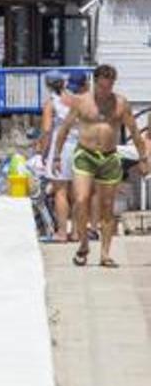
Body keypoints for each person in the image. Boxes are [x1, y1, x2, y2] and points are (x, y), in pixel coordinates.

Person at [54, 64, 149, 268]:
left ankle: (105, 254)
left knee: (107, 208)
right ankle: (84, 243)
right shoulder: (81, 102)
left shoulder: (121, 103)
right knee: (81, 200)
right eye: (103, 87)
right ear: (95, 82)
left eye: (110, 86)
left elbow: (133, 131)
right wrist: (56, 156)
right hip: (85, 155)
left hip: (109, 157)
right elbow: (64, 130)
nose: (106, 91)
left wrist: (143, 158)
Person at [38, 70, 81, 241]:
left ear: (48, 86)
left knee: (60, 192)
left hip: (60, 148)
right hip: (79, 146)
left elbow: (47, 130)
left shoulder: (51, 103)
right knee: (78, 192)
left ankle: (62, 232)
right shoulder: (76, 100)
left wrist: (43, 151)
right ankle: (77, 232)